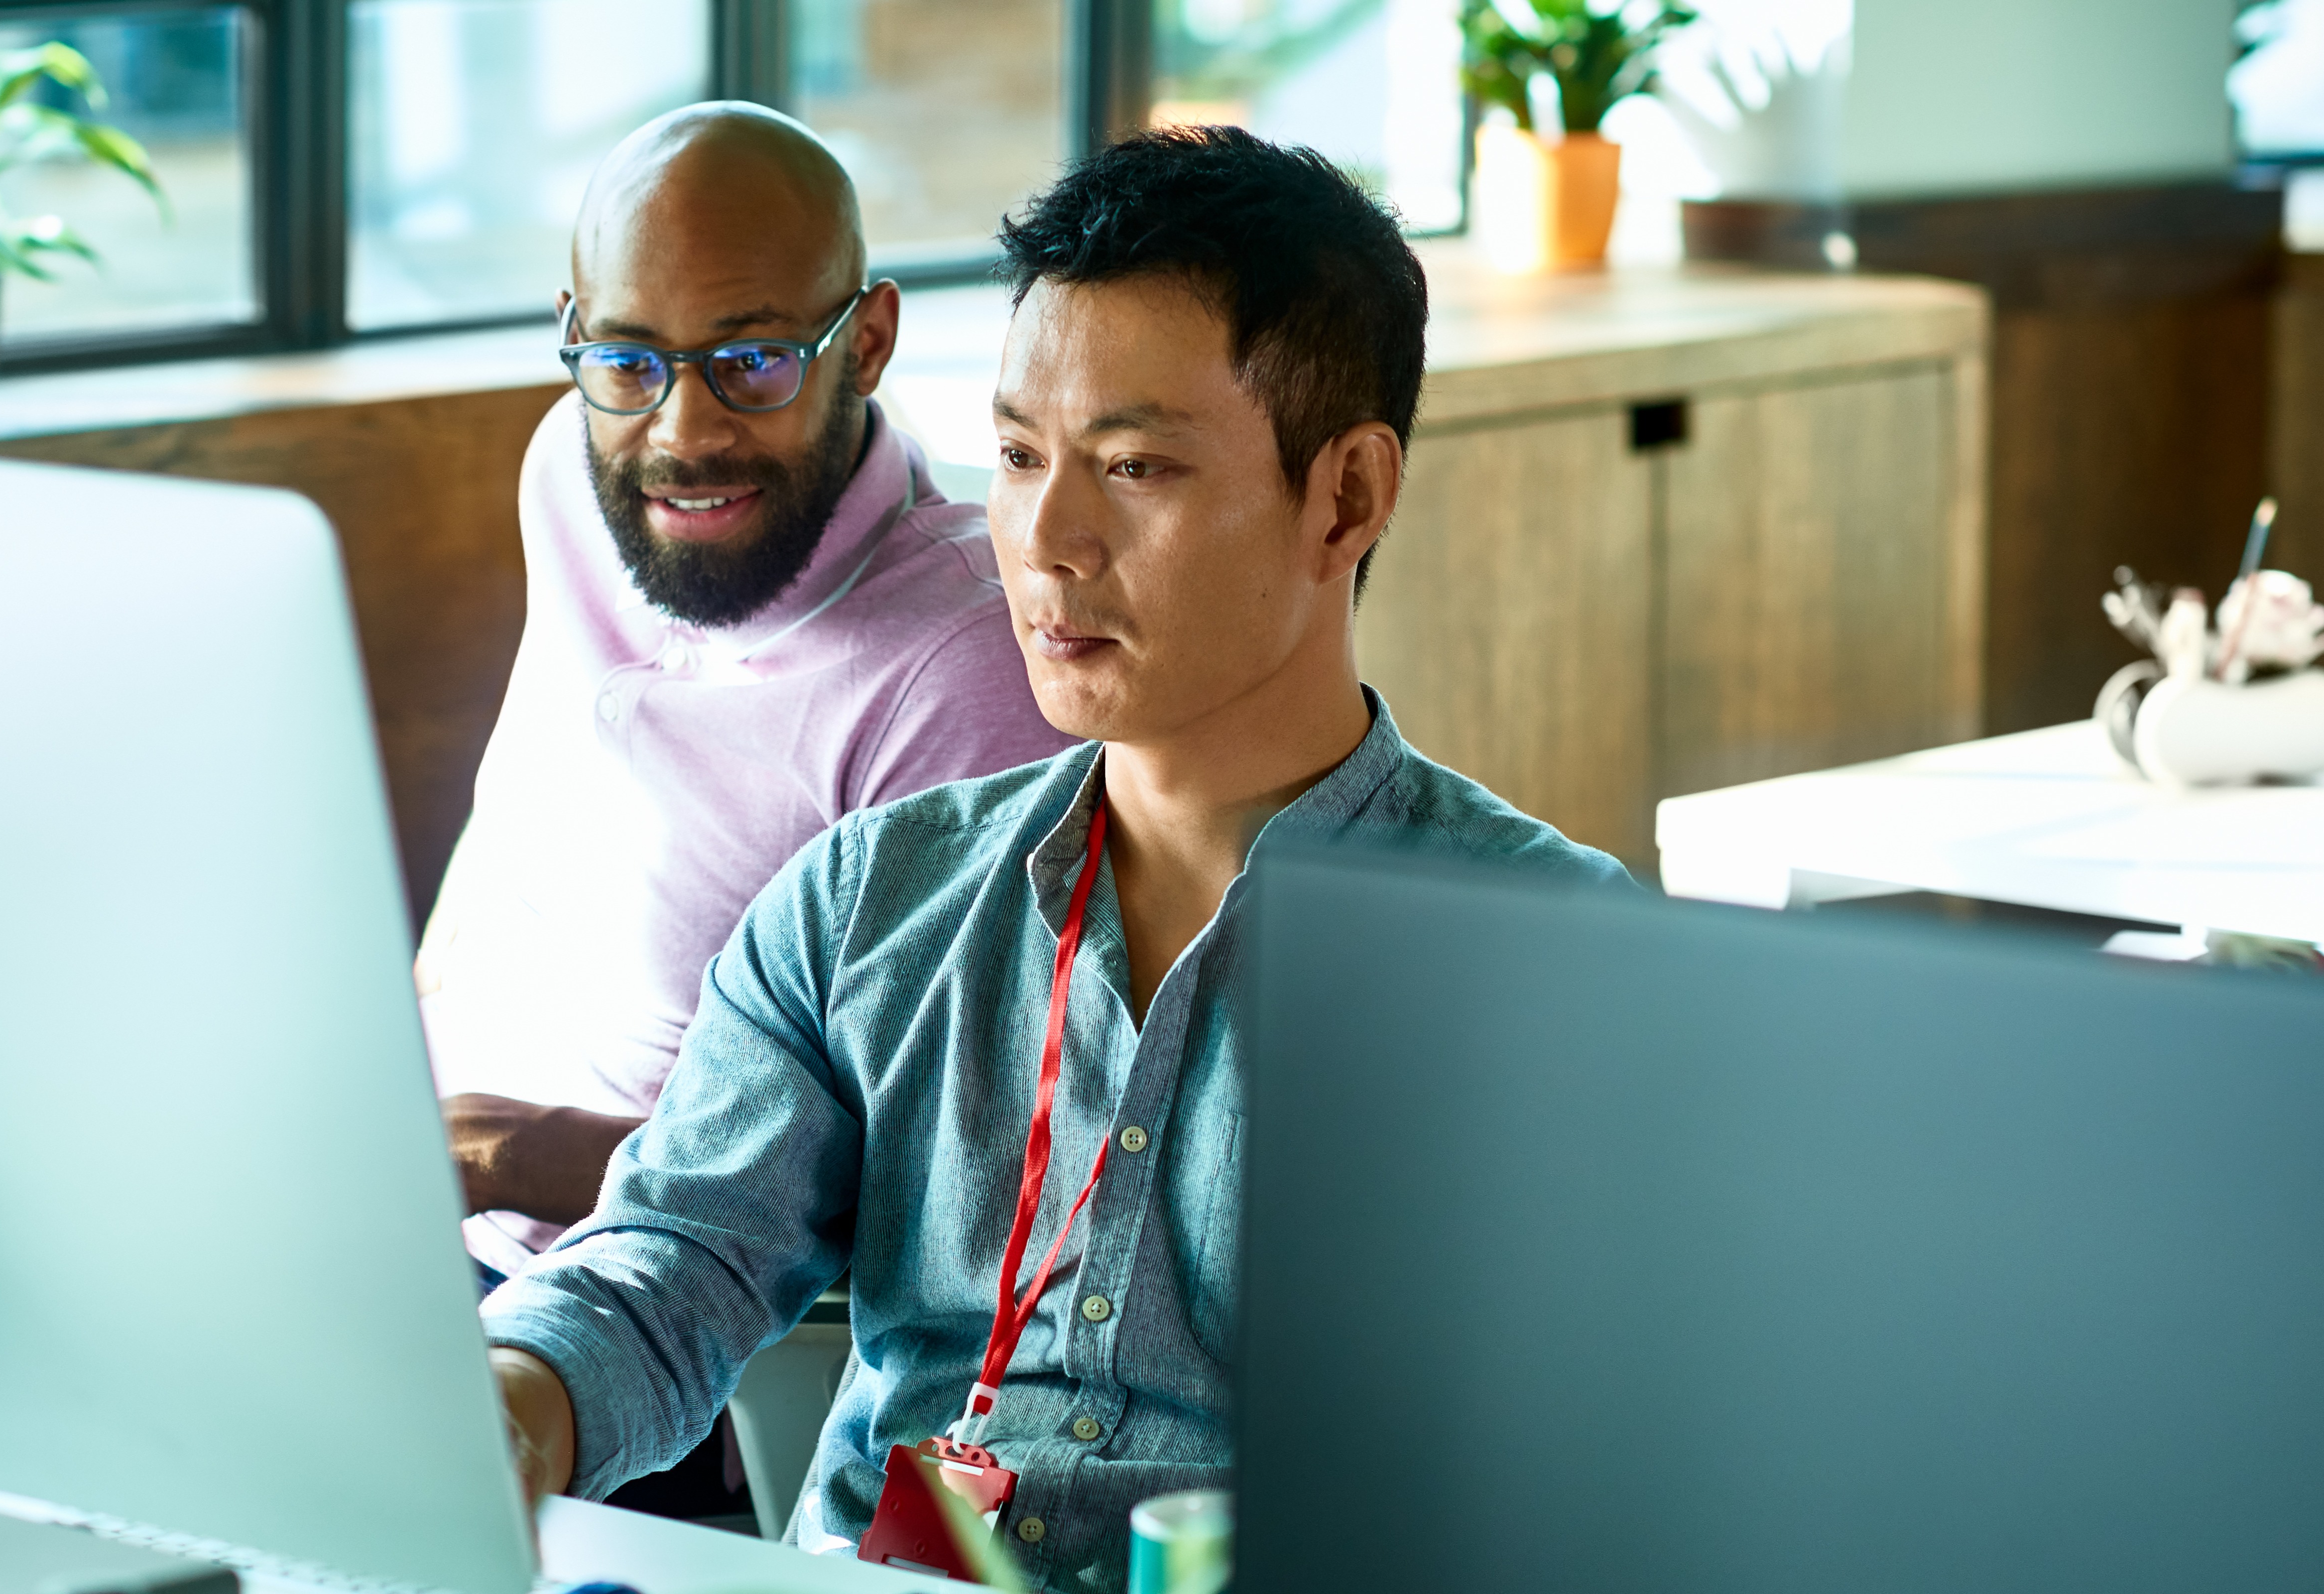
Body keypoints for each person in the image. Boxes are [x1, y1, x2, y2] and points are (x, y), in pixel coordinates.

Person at [478, 125, 1634, 1589]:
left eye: (1135, 466)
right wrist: (509, 1403)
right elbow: (677, 1259)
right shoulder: (865, 901)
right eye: (1021, 455)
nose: (1047, 540)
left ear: (1344, 497)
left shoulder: (1554, 960)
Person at [417, 103, 1073, 1281]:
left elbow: (942, 1175)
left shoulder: (964, 665)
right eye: (629, 361)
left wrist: (505, 1154)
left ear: (866, 342)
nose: (683, 433)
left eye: (752, 361)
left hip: (650, 1304)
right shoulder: (571, 467)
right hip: (412, 1203)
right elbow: (511, 823)